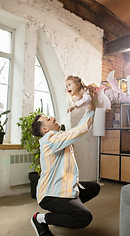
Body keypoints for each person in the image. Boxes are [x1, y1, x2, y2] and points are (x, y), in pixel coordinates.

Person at [30, 99, 100, 236]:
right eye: (49, 119)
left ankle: (62, 211)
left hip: (63, 190)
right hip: (50, 195)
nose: (53, 118)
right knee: (84, 217)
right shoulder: (49, 139)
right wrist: (90, 109)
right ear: (45, 129)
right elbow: (80, 130)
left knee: (94, 188)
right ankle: (40, 219)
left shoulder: (58, 137)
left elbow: (76, 131)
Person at [66, 70, 130, 113]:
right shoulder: (81, 95)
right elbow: (88, 108)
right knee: (120, 94)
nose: (67, 87)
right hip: (107, 95)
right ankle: (111, 80)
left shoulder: (85, 92)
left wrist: (75, 105)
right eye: (66, 86)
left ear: (78, 85)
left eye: (69, 84)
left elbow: (87, 100)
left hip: (108, 96)